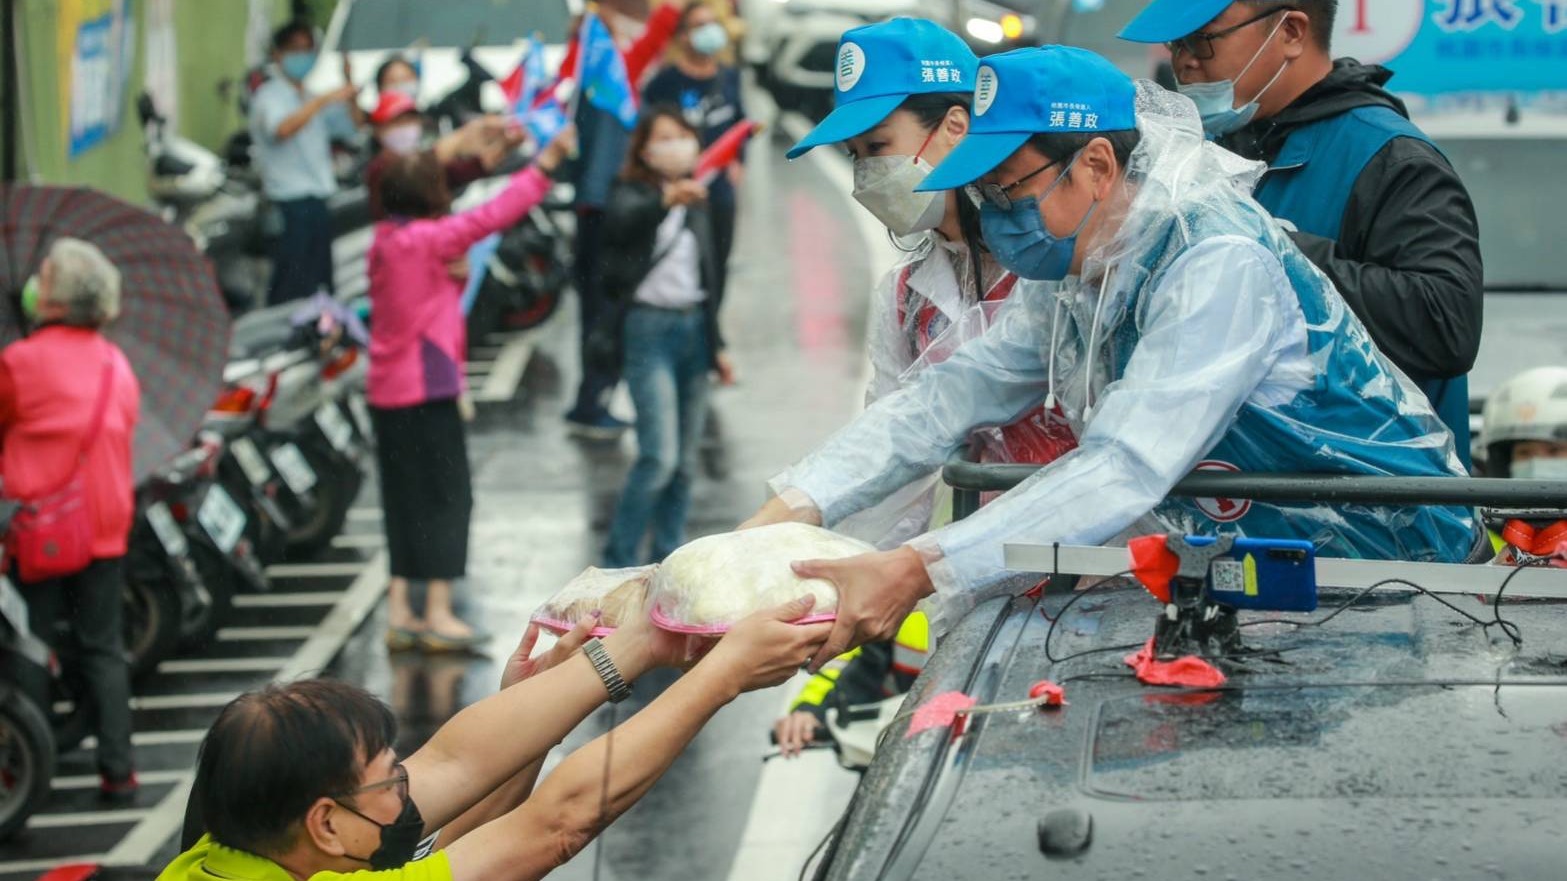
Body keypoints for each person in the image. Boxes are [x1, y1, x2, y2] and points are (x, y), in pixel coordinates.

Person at [743, 46, 1481, 671]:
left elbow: (1125, 464)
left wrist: (916, 568)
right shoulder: (1082, 268)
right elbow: (952, 394)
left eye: (1009, 191)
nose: (998, 217)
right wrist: (790, 507)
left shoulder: (1214, 259)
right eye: (984, 195)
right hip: (1270, 581)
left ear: (1096, 164)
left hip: (1396, 574)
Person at [771, 17, 1076, 755]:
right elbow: (893, 473)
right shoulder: (906, 296)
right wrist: (806, 592)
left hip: (1102, 587)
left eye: (878, 147)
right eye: (853, 157)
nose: (865, 176)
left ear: (955, 129)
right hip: (984, 599)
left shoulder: (1060, 265)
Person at [162, 597, 832, 881]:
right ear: (325, 824)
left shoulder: (212, 856)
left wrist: (635, 648)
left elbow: (455, 770)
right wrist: (722, 674)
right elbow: (556, 824)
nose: (409, 787)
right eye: (392, 780)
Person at [1118, 0, 1484, 467]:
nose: (1184, 61)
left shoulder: (1391, 159)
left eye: (1202, 40)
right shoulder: (1197, 157)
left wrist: (1273, 251)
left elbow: (1445, 325)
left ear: (1290, 32)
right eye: (1175, 44)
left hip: (1375, 495)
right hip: (1238, 489)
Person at [367, 126, 578, 652]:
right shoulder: (429, 239)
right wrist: (544, 166)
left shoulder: (387, 241)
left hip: (388, 391)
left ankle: (402, 611)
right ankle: (438, 612)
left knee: (403, 503)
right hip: (426, 390)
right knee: (446, 499)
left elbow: (428, 297)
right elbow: (493, 215)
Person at [0, 238, 141, 800]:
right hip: (106, 529)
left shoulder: (20, 362)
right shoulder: (116, 362)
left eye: (44, 276)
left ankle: (32, 768)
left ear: (55, 297)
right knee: (102, 647)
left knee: (31, 645)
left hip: (41, 530)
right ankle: (119, 770)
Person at [601, 108, 732, 568]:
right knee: (658, 457)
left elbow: (712, 275)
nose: (676, 144)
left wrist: (718, 345)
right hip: (648, 330)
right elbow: (620, 223)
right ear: (644, 149)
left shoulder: (701, 197)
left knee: (684, 463)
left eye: (683, 135)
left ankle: (669, 558)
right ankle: (618, 562)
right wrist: (664, 201)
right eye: (664, 137)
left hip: (694, 330)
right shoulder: (631, 192)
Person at [565, 0, 687, 440]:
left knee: (600, 309)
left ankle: (593, 397)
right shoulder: (604, 75)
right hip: (602, 210)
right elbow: (654, 36)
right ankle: (591, 401)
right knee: (605, 310)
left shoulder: (595, 75)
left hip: (595, 206)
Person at [249, 20, 362, 305]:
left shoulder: (310, 97)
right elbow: (282, 129)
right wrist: (323, 100)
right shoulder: (269, 97)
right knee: (291, 284)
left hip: (318, 200)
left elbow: (354, 126)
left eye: (308, 49)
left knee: (319, 284)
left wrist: (349, 87)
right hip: (289, 203)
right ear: (278, 54)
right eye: (295, 49)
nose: (303, 56)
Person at [641, 1, 746, 298]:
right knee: (686, 263)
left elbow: (741, 124)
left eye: (712, 24)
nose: (709, 31)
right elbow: (646, 135)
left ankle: (712, 323)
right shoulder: (664, 84)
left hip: (720, 191)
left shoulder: (729, 77)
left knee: (718, 263)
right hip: (680, 190)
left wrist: (739, 163)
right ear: (683, 36)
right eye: (699, 25)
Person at [362, 91, 523, 222]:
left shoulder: (423, 159)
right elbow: (412, 176)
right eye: (397, 122)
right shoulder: (379, 170)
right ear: (378, 129)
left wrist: (503, 146)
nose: (406, 128)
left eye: (410, 120)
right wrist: (462, 137)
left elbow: (462, 171)